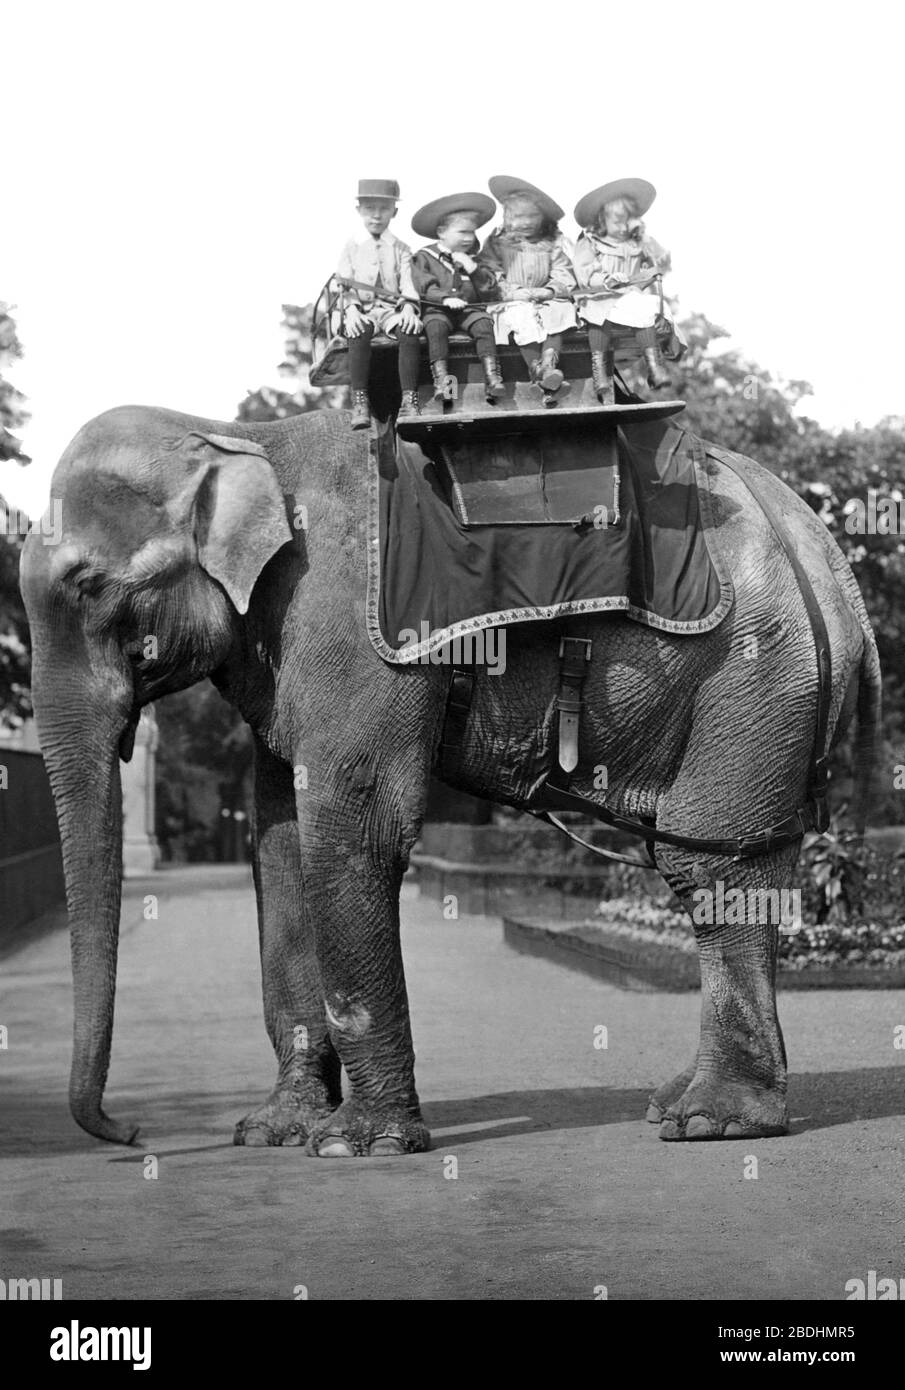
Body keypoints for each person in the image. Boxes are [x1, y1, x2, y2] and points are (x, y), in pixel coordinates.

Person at [478, 176, 577, 406]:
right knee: (519, 313)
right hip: (511, 300)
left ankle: (548, 367)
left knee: (562, 310)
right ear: (507, 217)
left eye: (532, 215)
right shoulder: (497, 242)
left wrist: (550, 290)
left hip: (543, 297)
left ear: (543, 217)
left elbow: (564, 272)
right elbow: (489, 273)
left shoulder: (553, 243)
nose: (525, 222)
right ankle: (539, 372)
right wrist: (511, 292)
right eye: (518, 216)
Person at [572, 178, 673, 403]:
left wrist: (644, 238)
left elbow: (663, 263)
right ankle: (600, 374)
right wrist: (607, 279)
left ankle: (655, 368)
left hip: (630, 299)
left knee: (645, 306)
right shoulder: (590, 242)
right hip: (599, 296)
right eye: (617, 221)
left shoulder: (637, 244)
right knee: (600, 312)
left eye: (626, 221)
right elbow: (585, 271)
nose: (622, 227)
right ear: (602, 219)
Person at [335, 178, 422, 430]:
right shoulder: (351, 247)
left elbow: (407, 283)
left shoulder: (401, 248)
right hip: (361, 309)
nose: (376, 215)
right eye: (370, 208)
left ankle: (410, 399)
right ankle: (360, 400)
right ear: (359, 210)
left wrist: (408, 307)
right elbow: (344, 285)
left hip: (391, 310)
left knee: (410, 329)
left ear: (394, 212)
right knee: (358, 331)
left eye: (384, 209)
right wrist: (351, 311)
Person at [411, 192, 506, 404]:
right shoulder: (425, 256)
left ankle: (492, 379)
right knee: (435, 328)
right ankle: (444, 384)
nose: (468, 238)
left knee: (483, 324)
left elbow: (491, 292)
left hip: (469, 311)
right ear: (441, 232)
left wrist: (474, 270)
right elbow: (424, 285)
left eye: (472, 233)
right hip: (439, 310)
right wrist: (444, 298)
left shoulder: (476, 260)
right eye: (462, 232)